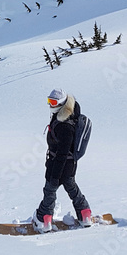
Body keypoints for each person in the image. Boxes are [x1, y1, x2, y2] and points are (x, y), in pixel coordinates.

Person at [32, 88, 91, 232]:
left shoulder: (64, 125)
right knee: (71, 187)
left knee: (50, 189)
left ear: (62, 103)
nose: (50, 105)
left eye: (53, 102)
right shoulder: (65, 115)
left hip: (59, 163)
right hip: (69, 164)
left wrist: (55, 174)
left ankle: (43, 219)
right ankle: (85, 214)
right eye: (48, 101)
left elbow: (62, 153)